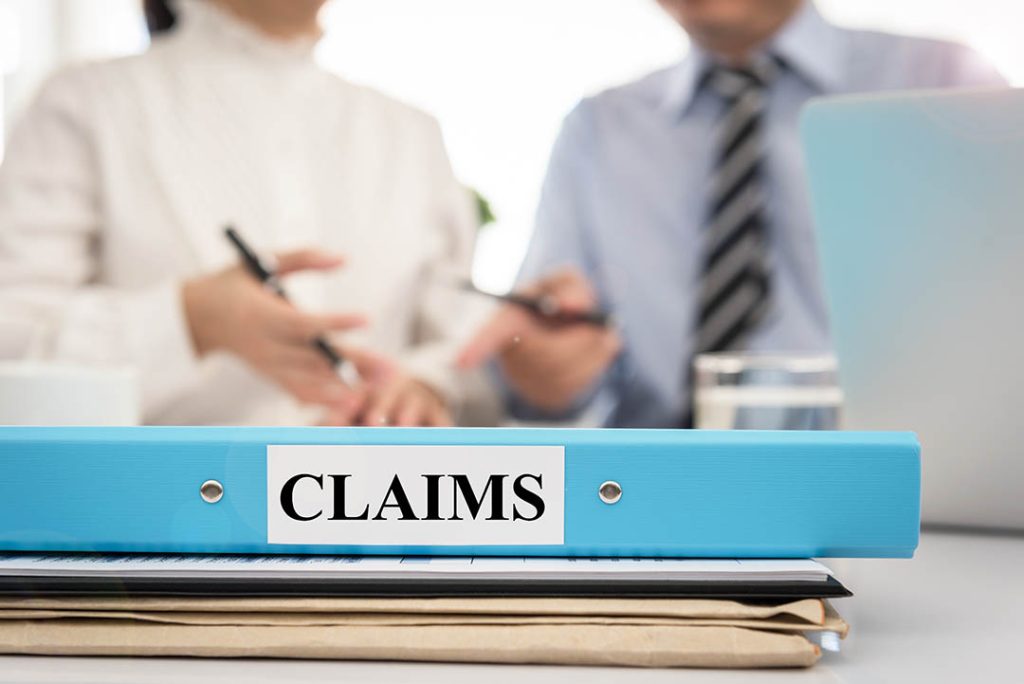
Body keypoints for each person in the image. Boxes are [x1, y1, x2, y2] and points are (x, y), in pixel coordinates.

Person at [459, 0, 1005, 428]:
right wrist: (545, 374)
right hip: (659, 489)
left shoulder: (947, 81)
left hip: (894, 487)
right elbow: (542, 367)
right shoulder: (598, 129)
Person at [0, 0, 496, 426]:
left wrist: (424, 386)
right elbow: (12, 344)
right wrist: (190, 320)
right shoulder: (86, 105)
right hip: (152, 499)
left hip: (363, 499)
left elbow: (461, 347)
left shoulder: (411, 134)